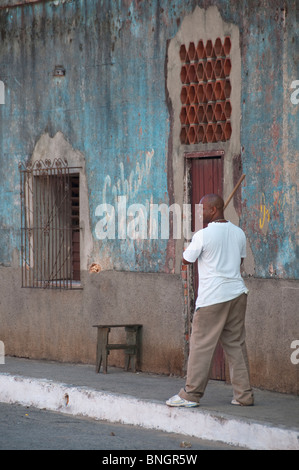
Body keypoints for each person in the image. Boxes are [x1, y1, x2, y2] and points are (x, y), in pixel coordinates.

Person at [166, 194, 254, 408]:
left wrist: (192, 243)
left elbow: (186, 260)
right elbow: (239, 260)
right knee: (235, 345)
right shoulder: (239, 233)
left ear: (214, 210)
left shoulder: (202, 235)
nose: (200, 213)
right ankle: (244, 396)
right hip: (237, 294)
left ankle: (190, 395)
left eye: (203, 209)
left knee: (201, 346)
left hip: (213, 298)